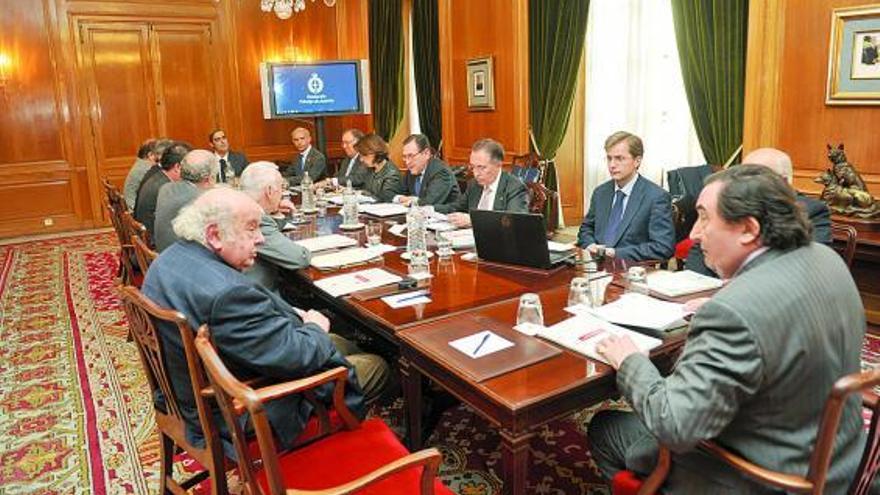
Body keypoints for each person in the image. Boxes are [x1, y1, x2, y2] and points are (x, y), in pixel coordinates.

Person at [589, 165, 865, 493]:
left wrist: (629, 360)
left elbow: (674, 425)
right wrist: (729, 306)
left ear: (748, 229)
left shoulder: (734, 313)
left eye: (704, 217)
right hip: (842, 461)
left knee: (605, 428)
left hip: (767, 481)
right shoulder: (825, 258)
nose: (693, 233)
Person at [142, 188, 389, 457]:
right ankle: (346, 453)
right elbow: (298, 356)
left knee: (345, 344)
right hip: (239, 412)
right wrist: (315, 326)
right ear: (214, 235)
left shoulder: (168, 260)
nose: (260, 239)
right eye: (250, 229)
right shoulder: (228, 296)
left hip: (189, 396)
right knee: (378, 365)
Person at [686, 147, 832, 277]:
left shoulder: (811, 211)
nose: (742, 186)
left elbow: (802, 265)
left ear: (783, 182)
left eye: (754, 179)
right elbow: (700, 249)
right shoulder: (727, 202)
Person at [576, 131, 674, 261]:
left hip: (630, 270)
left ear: (637, 161)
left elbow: (663, 247)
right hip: (594, 266)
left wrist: (615, 253)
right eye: (609, 158)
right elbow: (587, 228)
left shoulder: (656, 197)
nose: (612, 165)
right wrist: (590, 244)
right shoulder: (600, 192)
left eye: (619, 158)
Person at [240, 161, 311, 292]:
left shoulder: (240, 206)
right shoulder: (253, 218)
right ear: (269, 191)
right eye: (281, 189)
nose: (283, 194)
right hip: (261, 296)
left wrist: (276, 212)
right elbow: (300, 258)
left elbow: (270, 231)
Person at [435, 138, 528, 228]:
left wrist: (473, 221)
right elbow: (456, 207)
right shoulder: (474, 185)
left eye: (482, 167)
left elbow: (513, 222)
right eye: (473, 167)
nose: (476, 174)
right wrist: (429, 209)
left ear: (498, 165)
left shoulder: (514, 187)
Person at [154, 149, 217, 252]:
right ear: (208, 179)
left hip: (163, 252)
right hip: (180, 260)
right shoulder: (199, 200)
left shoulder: (166, 188)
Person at [134, 141, 192, 240]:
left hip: (148, 235)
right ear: (178, 167)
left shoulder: (159, 177)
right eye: (189, 166)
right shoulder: (166, 188)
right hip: (154, 242)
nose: (191, 170)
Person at [395, 134, 459, 207]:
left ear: (426, 153)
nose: (407, 162)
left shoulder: (441, 172)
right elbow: (402, 193)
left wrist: (412, 201)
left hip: (445, 216)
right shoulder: (412, 170)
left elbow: (430, 202)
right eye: (405, 157)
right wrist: (400, 198)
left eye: (411, 156)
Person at [123, 138, 172, 210]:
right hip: (134, 212)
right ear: (150, 155)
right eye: (158, 153)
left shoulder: (140, 165)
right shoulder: (146, 169)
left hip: (132, 208)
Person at [357, 134, 403, 203]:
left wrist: (364, 195)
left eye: (364, 155)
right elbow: (367, 190)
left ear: (375, 152)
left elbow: (387, 199)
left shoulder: (392, 174)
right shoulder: (371, 169)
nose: (361, 159)